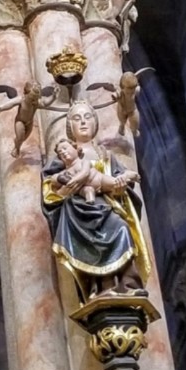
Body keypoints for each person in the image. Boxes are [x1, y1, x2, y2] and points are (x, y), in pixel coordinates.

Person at [43, 102, 143, 304]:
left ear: (95, 123)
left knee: (122, 228)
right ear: (70, 126)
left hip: (106, 207)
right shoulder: (64, 156)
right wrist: (63, 182)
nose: (83, 122)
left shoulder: (105, 155)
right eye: (77, 118)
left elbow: (119, 182)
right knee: (91, 245)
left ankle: (128, 285)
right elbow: (50, 186)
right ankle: (100, 289)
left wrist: (121, 186)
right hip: (79, 212)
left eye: (87, 117)